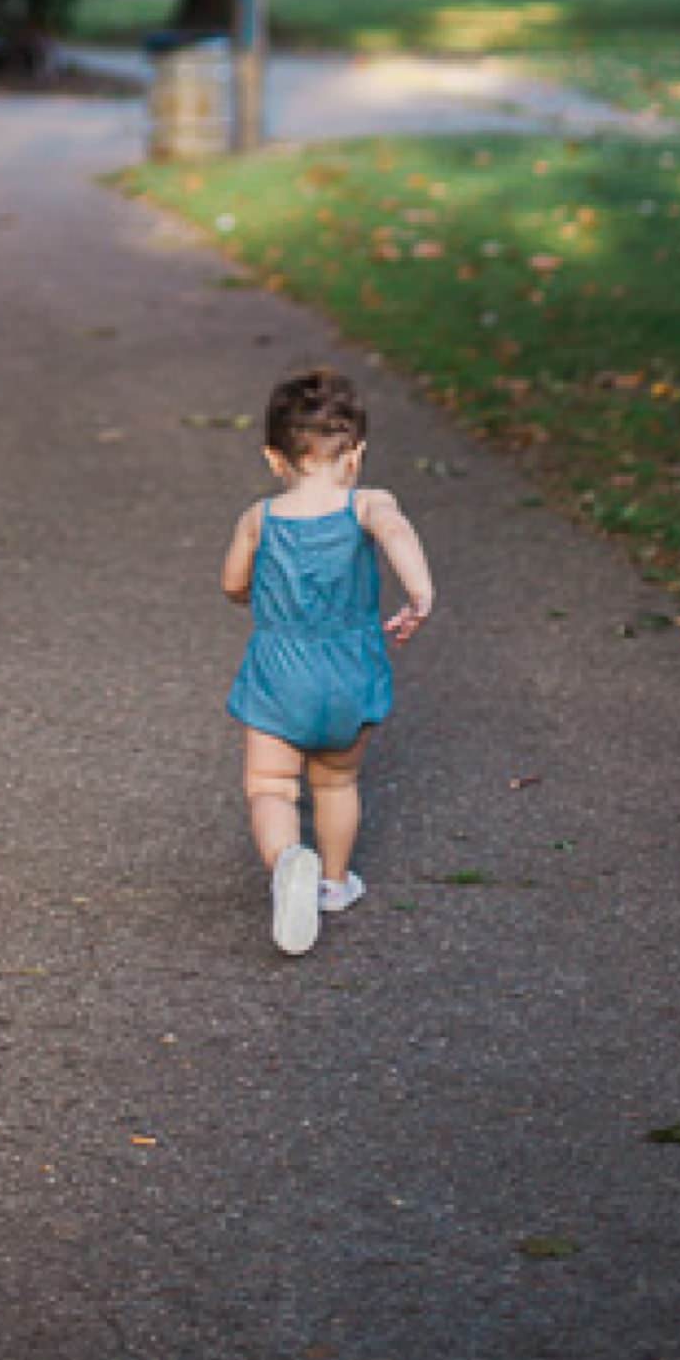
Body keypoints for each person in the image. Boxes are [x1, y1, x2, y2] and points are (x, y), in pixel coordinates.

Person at [221, 366, 435, 955]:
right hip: (348, 671)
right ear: (355, 455)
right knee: (337, 781)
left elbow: (232, 584)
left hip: (279, 673)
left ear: (274, 458)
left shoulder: (259, 519)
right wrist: (420, 591)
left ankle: (289, 860)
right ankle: (334, 884)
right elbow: (395, 530)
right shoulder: (368, 504)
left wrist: (252, 593)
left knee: (270, 785)